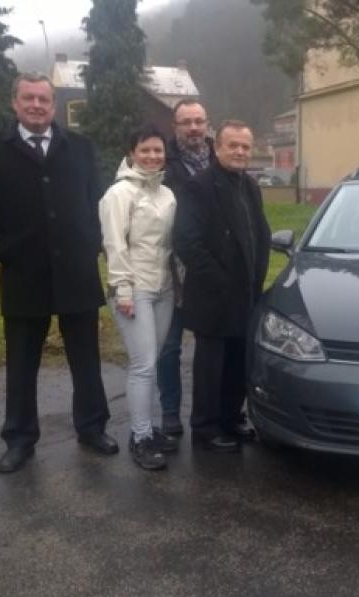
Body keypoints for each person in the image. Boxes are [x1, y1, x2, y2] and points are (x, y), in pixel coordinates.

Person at [0, 73, 118, 474]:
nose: (36, 105)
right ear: (14, 103)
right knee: (21, 364)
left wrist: (90, 243)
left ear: (54, 105)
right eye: (28, 98)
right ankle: (19, 439)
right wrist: (3, 250)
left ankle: (92, 427)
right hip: (23, 275)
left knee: (86, 359)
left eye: (43, 99)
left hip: (76, 272)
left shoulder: (80, 148)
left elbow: (98, 203)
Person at [174, 120, 271, 452]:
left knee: (237, 361)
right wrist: (220, 280)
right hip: (214, 295)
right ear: (217, 148)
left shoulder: (251, 186)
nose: (240, 151)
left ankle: (231, 417)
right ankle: (205, 427)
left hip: (246, 293)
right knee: (210, 367)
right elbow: (187, 241)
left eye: (245, 146)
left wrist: (256, 280)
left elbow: (259, 234)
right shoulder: (198, 187)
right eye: (233, 145)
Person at [99, 124, 178, 471]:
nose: (152, 156)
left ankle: (147, 428)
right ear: (132, 154)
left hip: (164, 289)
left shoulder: (167, 194)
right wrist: (123, 290)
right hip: (134, 290)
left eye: (158, 150)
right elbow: (114, 245)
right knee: (143, 365)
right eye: (145, 150)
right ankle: (141, 437)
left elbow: (173, 246)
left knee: (152, 361)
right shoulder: (119, 194)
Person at [156, 99, 215, 436]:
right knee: (169, 346)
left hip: (212, 267)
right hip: (172, 270)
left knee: (212, 344)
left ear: (207, 123)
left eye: (199, 121)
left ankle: (212, 412)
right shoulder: (161, 162)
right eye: (186, 122)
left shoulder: (221, 157)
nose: (193, 128)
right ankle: (170, 412)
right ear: (175, 126)